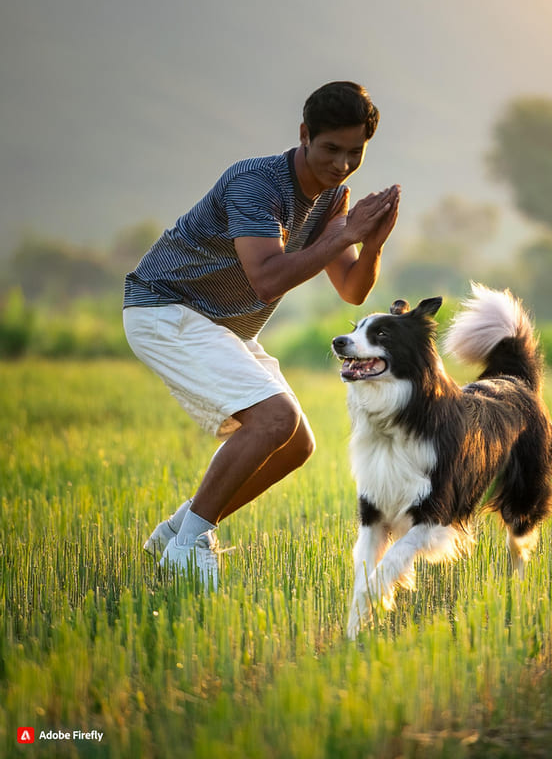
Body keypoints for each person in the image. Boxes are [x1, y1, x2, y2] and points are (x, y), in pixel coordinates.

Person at [123, 81, 400, 589]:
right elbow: (268, 277)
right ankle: (189, 547)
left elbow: (352, 289)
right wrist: (344, 234)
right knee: (276, 418)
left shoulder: (333, 198)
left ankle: (177, 531)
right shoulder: (256, 183)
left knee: (296, 444)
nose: (341, 164)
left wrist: (371, 243)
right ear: (303, 135)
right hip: (166, 307)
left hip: (220, 324)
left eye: (354, 153)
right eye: (330, 149)